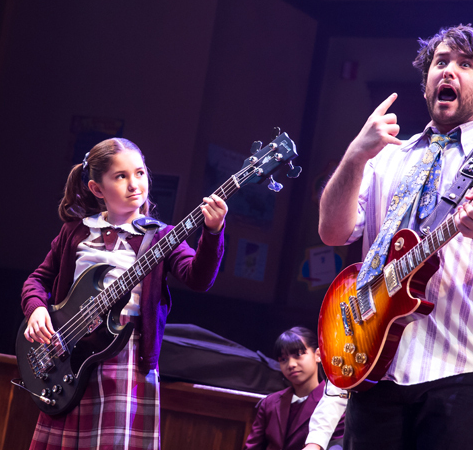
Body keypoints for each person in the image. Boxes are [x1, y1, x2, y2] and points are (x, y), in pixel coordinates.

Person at [316, 24, 473, 450]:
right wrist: (355, 154)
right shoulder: (387, 157)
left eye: (465, 64)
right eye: (440, 63)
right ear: (426, 84)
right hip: (376, 363)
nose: (448, 71)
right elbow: (332, 232)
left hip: (465, 372)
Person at [21, 138, 227, 449]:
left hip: (126, 358)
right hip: (67, 354)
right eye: (121, 176)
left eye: (140, 173)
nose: (135, 184)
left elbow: (198, 278)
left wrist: (212, 233)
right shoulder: (76, 232)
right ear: (97, 189)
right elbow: (38, 279)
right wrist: (36, 308)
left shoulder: (161, 236)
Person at [244, 327, 345, 450]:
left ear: (318, 355)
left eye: (298, 355)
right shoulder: (269, 403)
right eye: (283, 359)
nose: (291, 364)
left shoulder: (336, 402)